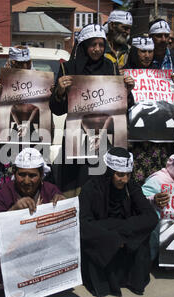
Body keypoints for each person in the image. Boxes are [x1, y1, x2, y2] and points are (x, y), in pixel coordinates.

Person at [49, 23, 134, 197]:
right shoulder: (68, 69)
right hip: (76, 138)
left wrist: (127, 90)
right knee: (74, 183)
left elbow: (121, 106)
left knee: (100, 182)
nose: (97, 49)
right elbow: (57, 110)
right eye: (93, 44)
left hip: (103, 136)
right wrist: (60, 91)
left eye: (101, 45)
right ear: (84, 46)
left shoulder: (110, 67)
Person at [79, 147, 158, 297]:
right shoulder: (91, 188)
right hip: (103, 238)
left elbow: (150, 216)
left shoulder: (131, 187)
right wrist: (114, 238)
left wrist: (123, 233)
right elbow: (84, 224)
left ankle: (134, 281)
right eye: (120, 175)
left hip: (126, 237)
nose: (125, 179)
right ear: (109, 172)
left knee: (140, 239)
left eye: (128, 175)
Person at [0, 148, 66, 285]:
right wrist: (13, 211)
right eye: (22, 175)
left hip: (43, 258)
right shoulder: (3, 194)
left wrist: (63, 205)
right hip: (13, 260)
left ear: (41, 175)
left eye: (32, 175)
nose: (26, 181)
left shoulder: (50, 190)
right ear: (14, 173)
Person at [123, 37, 174, 186]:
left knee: (157, 181)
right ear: (134, 52)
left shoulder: (160, 76)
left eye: (150, 51)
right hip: (134, 141)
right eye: (143, 51)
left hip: (157, 142)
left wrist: (173, 88)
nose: (147, 56)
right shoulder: (123, 75)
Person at [0, 46, 34, 190]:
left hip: (31, 140)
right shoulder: (3, 82)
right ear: (12, 63)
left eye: (27, 62)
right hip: (7, 143)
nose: (24, 67)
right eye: (19, 64)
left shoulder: (37, 83)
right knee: (7, 186)